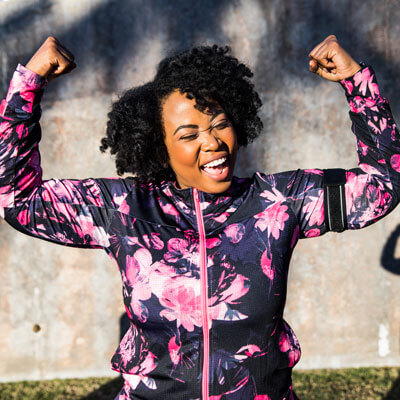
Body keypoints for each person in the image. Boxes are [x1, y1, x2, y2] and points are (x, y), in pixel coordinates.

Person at [0, 34, 399, 400]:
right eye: (189, 135)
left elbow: (383, 184)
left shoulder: (278, 202)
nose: (212, 143)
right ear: (160, 146)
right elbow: (18, 197)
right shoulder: (123, 209)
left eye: (220, 125)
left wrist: (357, 83)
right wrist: (28, 85)